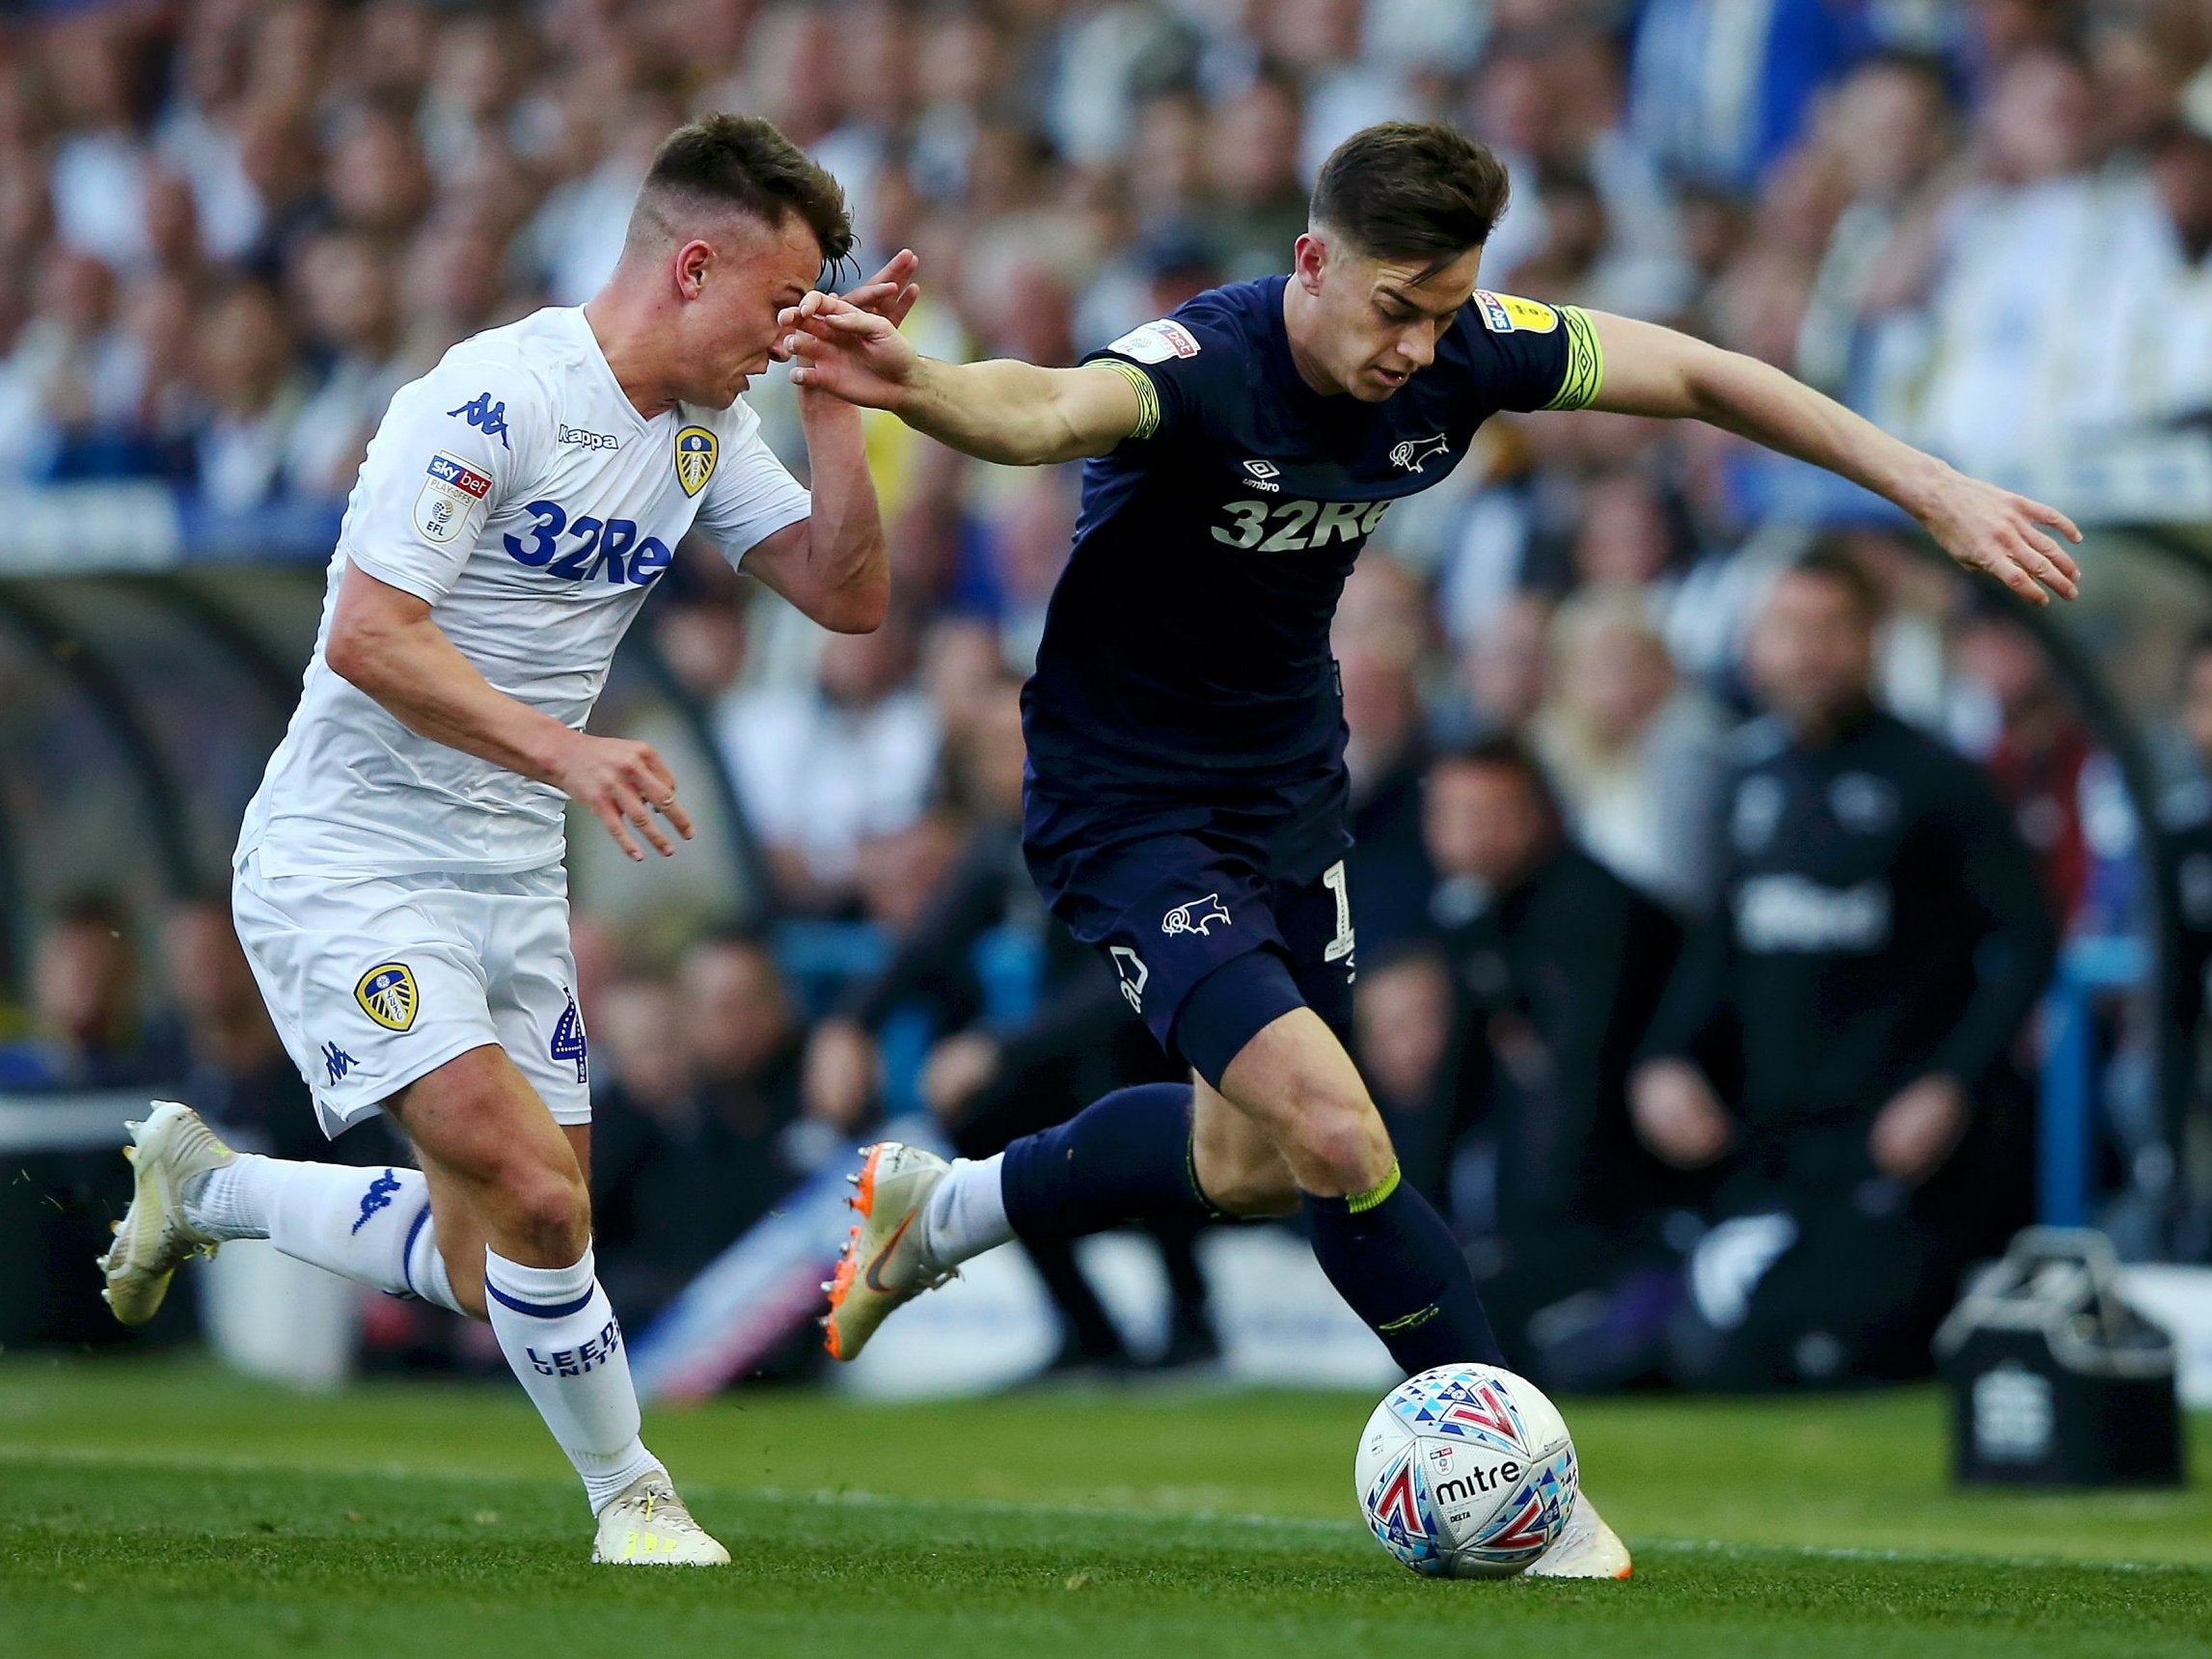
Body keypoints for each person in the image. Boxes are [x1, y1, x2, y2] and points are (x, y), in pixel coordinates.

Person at [784, 120, 2080, 1580]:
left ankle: (940, 1206)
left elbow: (1708, 376)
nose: (1418, 346)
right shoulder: (1202, 365)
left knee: (1257, 1165)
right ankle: (1538, 1498)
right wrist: (921, 387)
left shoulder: (1474, 349)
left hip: (1284, 794)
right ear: (1312, 261)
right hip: (1128, 803)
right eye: (1394, 308)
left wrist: (1930, 488)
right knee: (1342, 1132)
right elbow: (1042, 411)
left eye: (1447, 307)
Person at [96, 113, 918, 1566]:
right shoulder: (490, 400)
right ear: (691, 266)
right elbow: (367, 634)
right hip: (350, 855)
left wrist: (842, 398)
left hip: (508, 869)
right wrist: (565, 749)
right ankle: (637, 1502)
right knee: (537, 1200)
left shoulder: (705, 430)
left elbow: (846, 596)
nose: (788, 332)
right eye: (780, 303)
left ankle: (210, 1189)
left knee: (513, 1259)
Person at [1629, 554, 2058, 1387]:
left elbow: (2028, 943)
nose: (1807, 653)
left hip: (1894, 1153)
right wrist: (1663, 1060)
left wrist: (1950, 1085)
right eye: (1788, 630)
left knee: (1817, 1350)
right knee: (1691, 1350)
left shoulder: (1936, 780)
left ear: (1872, 642)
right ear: (1755, 645)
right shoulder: (1745, 776)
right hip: (1767, 1148)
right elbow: (1718, 946)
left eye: (1830, 630)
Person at [1410, 737, 1686, 1392]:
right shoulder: (1474, 913)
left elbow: (1578, 1074)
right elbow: (1457, 1078)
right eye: (1454, 815)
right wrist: (1408, 1216)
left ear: (1540, 815)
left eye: (1492, 813)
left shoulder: (1590, 909)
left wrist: (1537, 1231)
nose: (1472, 834)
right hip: (1549, 1191)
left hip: (1636, 1197)